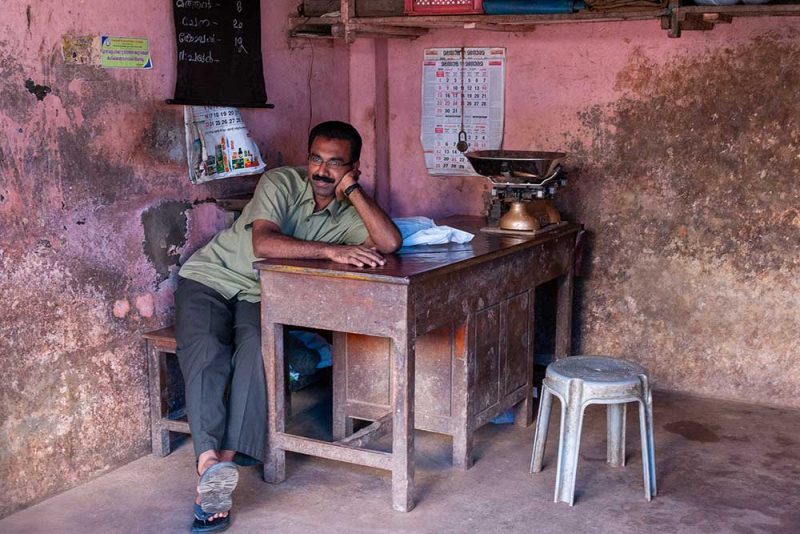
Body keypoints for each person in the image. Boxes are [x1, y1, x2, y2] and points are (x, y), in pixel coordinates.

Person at [175, 121, 402, 532]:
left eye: (335, 163)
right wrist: (333, 252)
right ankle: (207, 461)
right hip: (211, 277)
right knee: (207, 350)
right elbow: (264, 243)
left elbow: (389, 243)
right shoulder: (280, 182)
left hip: (260, 293)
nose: (322, 171)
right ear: (307, 158)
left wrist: (353, 191)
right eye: (316, 158)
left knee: (256, 353)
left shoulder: (350, 211)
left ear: (353, 169)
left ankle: (222, 469)